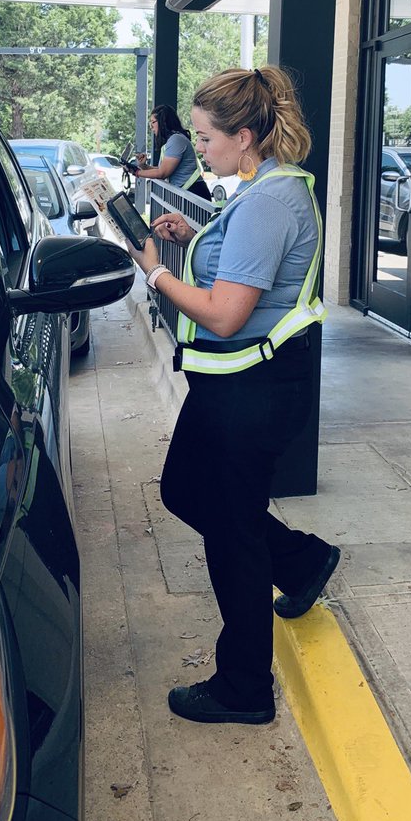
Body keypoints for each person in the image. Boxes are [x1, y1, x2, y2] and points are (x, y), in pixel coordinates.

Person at [125, 66, 340, 725]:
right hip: (233, 384)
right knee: (186, 492)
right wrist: (196, 239)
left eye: (205, 137)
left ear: (244, 135)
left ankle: (244, 687)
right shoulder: (259, 190)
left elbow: (223, 314)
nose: (198, 148)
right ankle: (303, 559)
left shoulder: (271, 200)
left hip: (255, 389)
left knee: (232, 531)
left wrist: (155, 269)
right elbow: (242, 266)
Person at [132, 104, 212, 200]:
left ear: (163, 122)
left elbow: (162, 173)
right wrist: (143, 166)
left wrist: (136, 172)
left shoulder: (176, 140)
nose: (151, 127)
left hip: (194, 193)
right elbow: (162, 169)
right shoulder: (173, 140)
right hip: (188, 193)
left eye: (153, 122)